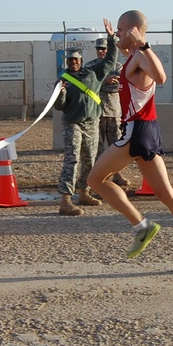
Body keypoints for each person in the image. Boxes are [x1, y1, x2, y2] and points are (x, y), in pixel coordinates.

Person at [88, 10, 173, 274]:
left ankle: (141, 226)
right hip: (145, 130)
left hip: (136, 130)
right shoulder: (134, 57)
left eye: (122, 30)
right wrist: (118, 40)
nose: (118, 35)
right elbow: (132, 61)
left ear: (135, 30)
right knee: (165, 193)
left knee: (95, 180)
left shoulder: (142, 54)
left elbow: (161, 77)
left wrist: (142, 43)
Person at [53, 30, 118, 215]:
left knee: (89, 159)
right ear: (67, 61)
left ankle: (84, 192)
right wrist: (62, 93)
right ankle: (66, 200)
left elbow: (110, 61)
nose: (73, 63)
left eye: (76, 59)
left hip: (92, 123)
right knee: (72, 158)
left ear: (80, 60)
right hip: (73, 123)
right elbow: (60, 106)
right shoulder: (63, 79)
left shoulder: (93, 73)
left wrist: (112, 39)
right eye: (70, 60)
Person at [85, 36, 130, 188]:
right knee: (96, 145)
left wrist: (103, 83)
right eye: (98, 49)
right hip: (96, 112)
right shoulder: (90, 66)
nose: (101, 52)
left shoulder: (118, 66)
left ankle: (117, 174)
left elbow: (119, 86)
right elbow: (89, 85)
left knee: (116, 145)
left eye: (104, 49)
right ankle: (98, 176)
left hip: (113, 111)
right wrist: (105, 81)